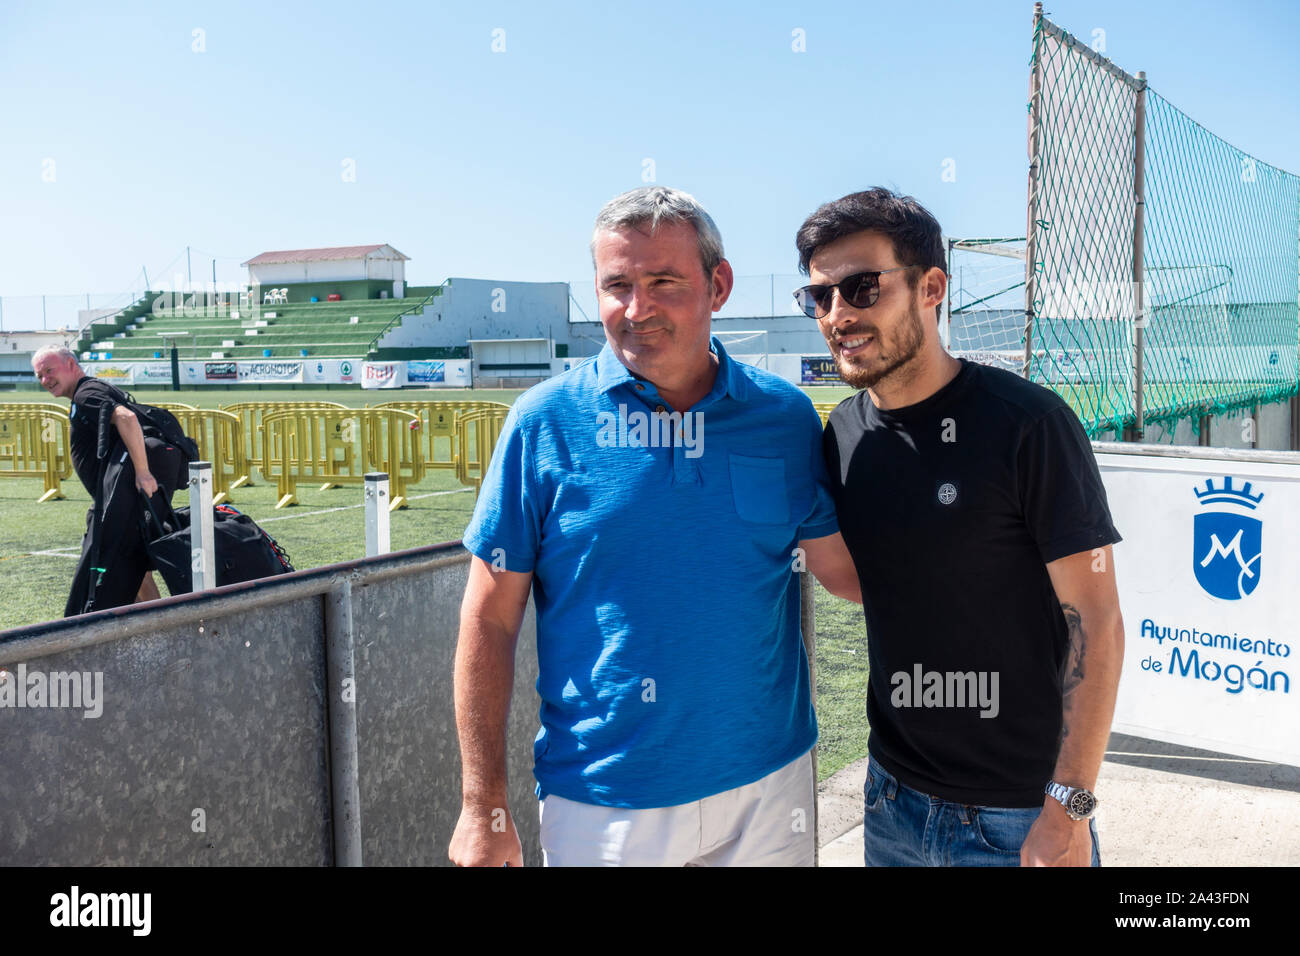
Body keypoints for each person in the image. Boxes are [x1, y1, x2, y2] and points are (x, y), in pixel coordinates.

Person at [448, 186, 861, 867]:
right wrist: (481, 804)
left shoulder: (784, 419)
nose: (637, 310)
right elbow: (489, 621)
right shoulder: (542, 423)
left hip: (770, 786)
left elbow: (844, 574)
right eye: (617, 286)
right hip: (605, 803)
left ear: (717, 285)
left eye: (664, 282)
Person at [795, 188, 1124, 867]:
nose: (837, 315)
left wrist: (1071, 809)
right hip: (890, 802)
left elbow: (1098, 619)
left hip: (1018, 816)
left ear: (931, 287)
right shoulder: (845, 433)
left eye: (861, 288)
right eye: (818, 297)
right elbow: (875, 582)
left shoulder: (1028, 424)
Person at [31, 346, 188, 615]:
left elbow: (126, 418)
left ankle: (161, 623)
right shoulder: (87, 391)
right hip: (117, 498)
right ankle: (158, 623)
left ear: (70, 364)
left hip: (123, 498)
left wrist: (142, 472)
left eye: (49, 371)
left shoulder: (85, 393)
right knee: (132, 565)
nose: (45, 380)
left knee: (114, 565)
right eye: (40, 376)